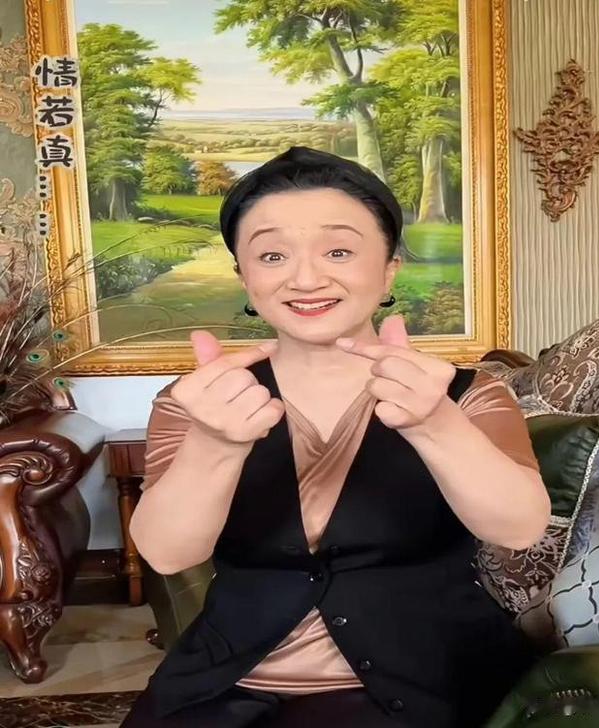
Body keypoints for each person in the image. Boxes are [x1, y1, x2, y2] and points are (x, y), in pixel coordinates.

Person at [121, 146, 551, 728]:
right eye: (272, 255)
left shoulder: (464, 393)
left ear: (389, 268)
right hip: (226, 679)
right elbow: (168, 553)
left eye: (339, 251)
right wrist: (216, 445)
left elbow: (520, 528)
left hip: (426, 677)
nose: (305, 278)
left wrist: (435, 425)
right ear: (244, 276)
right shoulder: (199, 399)